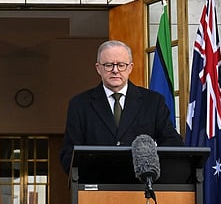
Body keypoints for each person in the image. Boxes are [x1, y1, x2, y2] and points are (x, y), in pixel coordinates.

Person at [60, 40, 184, 171]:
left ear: (130, 67)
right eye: (108, 65)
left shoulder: (153, 102)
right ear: (98, 68)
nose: (115, 70)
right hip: (98, 186)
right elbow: (69, 155)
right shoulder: (80, 104)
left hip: (141, 186)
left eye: (121, 65)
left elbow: (172, 144)